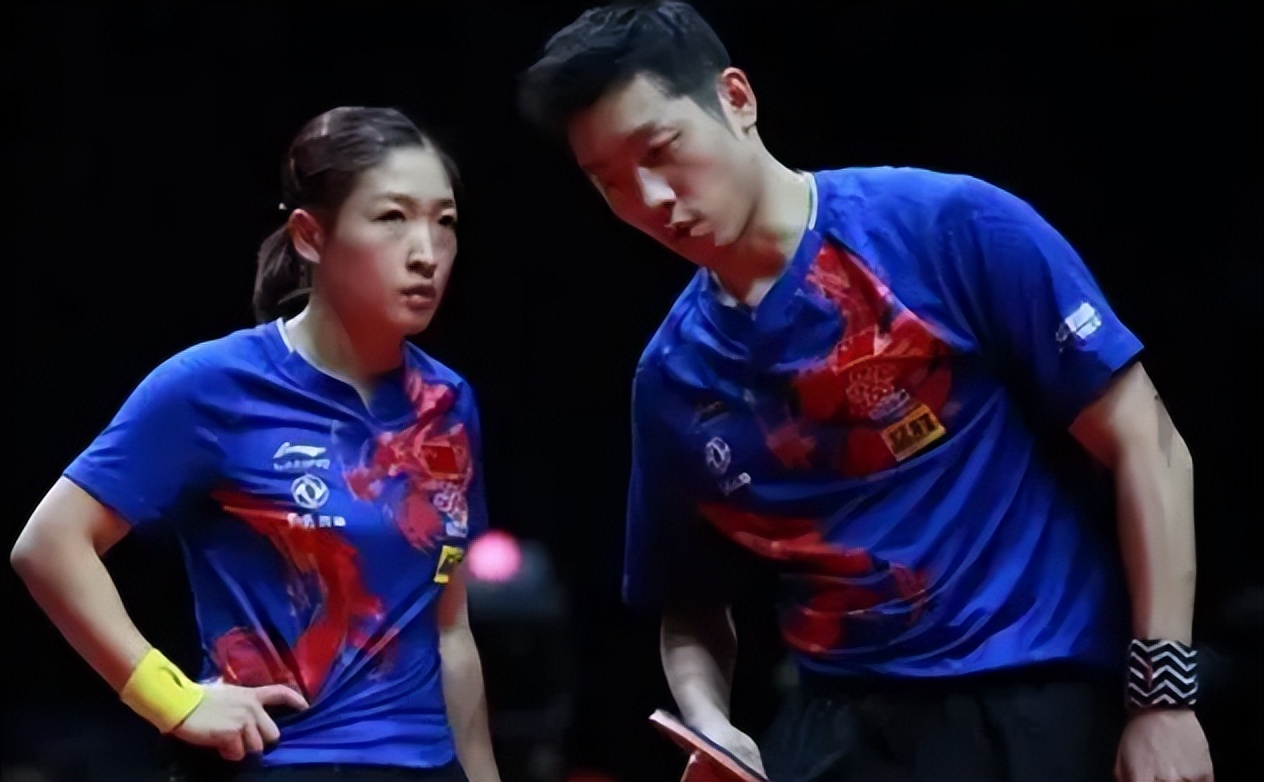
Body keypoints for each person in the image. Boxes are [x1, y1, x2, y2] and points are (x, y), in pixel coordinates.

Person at [517, 3, 1213, 782]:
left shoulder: (947, 228)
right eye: (612, 182)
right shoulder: (676, 379)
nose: (649, 198)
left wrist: (1163, 700)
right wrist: (711, 722)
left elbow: (1147, 444)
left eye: (661, 150)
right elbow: (691, 605)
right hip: (839, 727)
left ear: (737, 100)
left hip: (1036, 698)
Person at [10, 106, 502, 782]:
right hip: (278, 764)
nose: (427, 252)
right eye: (392, 217)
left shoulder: (446, 404)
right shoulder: (215, 386)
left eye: (444, 221)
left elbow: (449, 629)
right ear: (310, 236)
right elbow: (49, 545)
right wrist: (174, 701)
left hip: (425, 765)